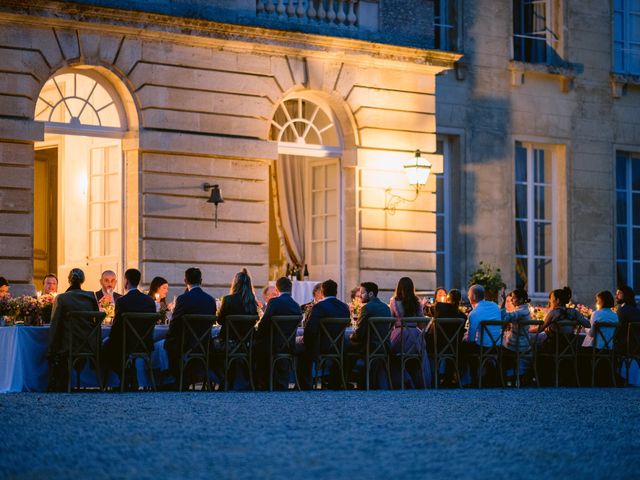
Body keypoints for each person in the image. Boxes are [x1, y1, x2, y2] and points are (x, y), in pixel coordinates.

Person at [47, 268, 99, 391]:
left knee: (56, 345)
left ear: (69, 280)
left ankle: (59, 383)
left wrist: (50, 350)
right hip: (89, 344)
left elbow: (54, 324)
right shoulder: (91, 297)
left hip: (69, 345)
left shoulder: (62, 298)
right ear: (83, 280)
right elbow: (97, 321)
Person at [102, 269, 157, 385]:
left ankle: (115, 379)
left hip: (125, 344)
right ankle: (129, 374)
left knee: (106, 345)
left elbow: (116, 329)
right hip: (145, 343)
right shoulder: (149, 301)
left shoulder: (122, 301)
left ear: (126, 281)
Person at [163, 267, 216, 383]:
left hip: (185, 344)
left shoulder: (183, 299)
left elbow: (175, 324)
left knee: (164, 344)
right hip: (205, 344)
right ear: (201, 281)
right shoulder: (210, 300)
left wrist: (168, 337)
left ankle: (170, 377)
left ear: (185, 281)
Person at [298, 279, 350, 389]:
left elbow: (310, 329)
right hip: (339, 346)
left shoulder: (319, 307)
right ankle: (334, 382)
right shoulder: (344, 307)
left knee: (302, 349)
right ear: (336, 292)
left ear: (322, 292)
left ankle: (304, 384)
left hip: (320, 346)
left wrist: (306, 341)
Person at [254, 277, 301, 390]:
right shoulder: (296, 305)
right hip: (290, 346)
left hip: (273, 345)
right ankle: (279, 382)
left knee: (257, 345)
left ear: (277, 288)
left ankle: (262, 384)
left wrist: (257, 335)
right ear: (290, 288)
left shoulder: (274, 302)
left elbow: (263, 324)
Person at [388, 277, 430, 389]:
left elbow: (390, 321)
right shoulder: (417, 302)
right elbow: (421, 323)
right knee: (421, 351)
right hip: (415, 338)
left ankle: (402, 381)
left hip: (399, 337)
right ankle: (420, 381)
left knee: (390, 352)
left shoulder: (394, 301)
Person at [425, 289, 467, 385]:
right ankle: (449, 378)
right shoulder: (462, 316)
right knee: (454, 347)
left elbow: (426, 311)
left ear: (448, 299)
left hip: (437, 346)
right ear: (459, 301)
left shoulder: (439, 307)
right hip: (454, 347)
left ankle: (431, 378)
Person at [462, 284, 502, 386]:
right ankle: (488, 376)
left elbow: (471, 339)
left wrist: (465, 337)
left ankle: (473, 379)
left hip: (483, 348)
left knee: (465, 346)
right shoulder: (495, 306)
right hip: (498, 346)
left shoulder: (474, 313)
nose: (467, 296)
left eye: (468, 295)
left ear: (474, 297)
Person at [501, 288, 532, 353]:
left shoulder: (520, 312)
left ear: (520, 300)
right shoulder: (525, 310)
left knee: (497, 343)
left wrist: (503, 302)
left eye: (514, 297)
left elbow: (503, 318)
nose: (511, 299)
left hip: (517, 345)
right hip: (525, 342)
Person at [614, 285, 640, 355]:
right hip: (636, 346)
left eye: (619, 293)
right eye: (616, 294)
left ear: (626, 295)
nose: (616, 296)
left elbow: (617, 330)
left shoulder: (622, 310)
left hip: (624, 347)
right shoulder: (637, 310)